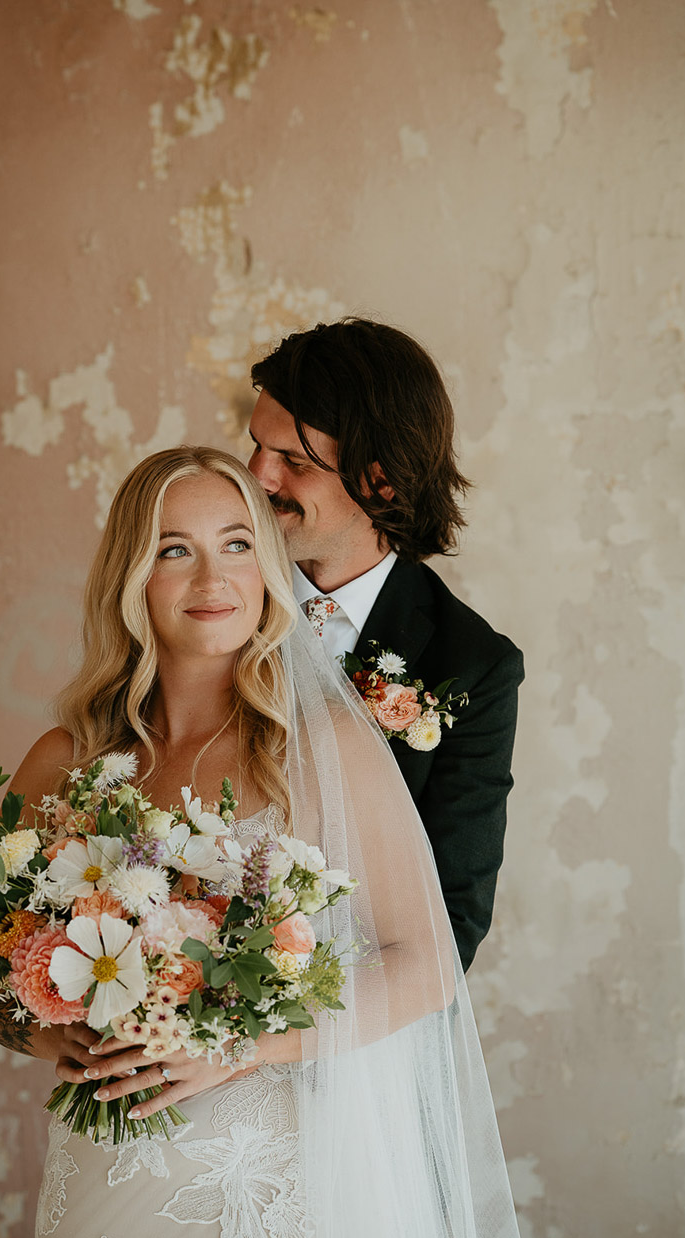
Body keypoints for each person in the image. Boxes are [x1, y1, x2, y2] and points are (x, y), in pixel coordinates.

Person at [0, 447, 524, 1238]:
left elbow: (426, 961)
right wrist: (56, 1038)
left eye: (236, 543)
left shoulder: (323, 746)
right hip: (109, 1164)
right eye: (173, 549)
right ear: (131, 573)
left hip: (271, 1169)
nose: (209, 578)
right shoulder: (62, 758)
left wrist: (237, 1046)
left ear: (265, 567)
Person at [249, 318, 525, 971]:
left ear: (380, 480)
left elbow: (450, 921)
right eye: (256, 445)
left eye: (291, 460)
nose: (256, 476)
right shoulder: (212, 597)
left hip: (352, 1029)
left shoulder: (469, 667)